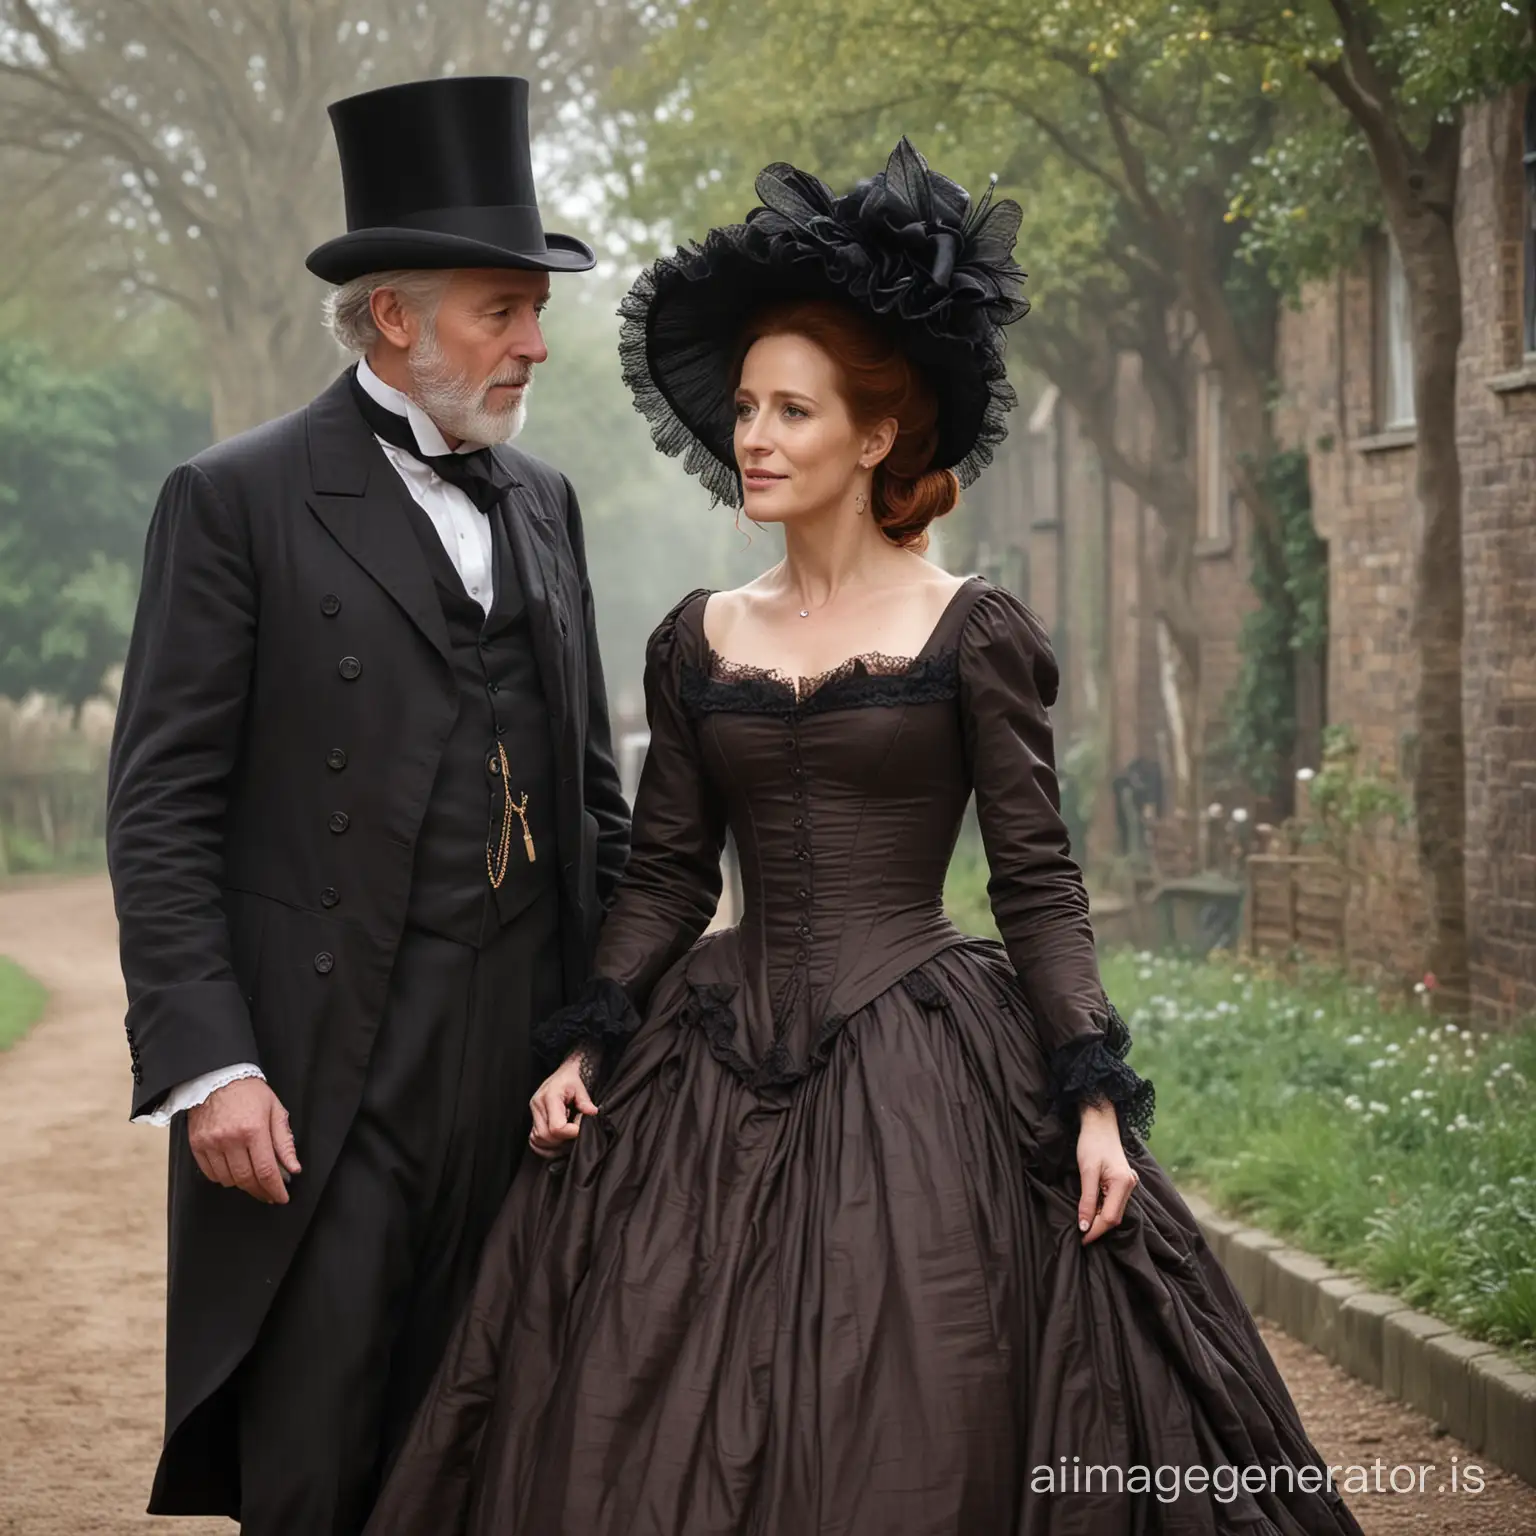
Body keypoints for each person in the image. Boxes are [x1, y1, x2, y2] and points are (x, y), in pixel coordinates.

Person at [363, 141, 1362, 1534]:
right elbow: (664, 870)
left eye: (792, 411)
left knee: (924, 1387)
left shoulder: (973, 633)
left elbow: (1037, 880)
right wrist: (591, 1034)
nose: (753, 437)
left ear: (878, 436)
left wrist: (1089, 1091)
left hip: (921, 1055)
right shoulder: (697, 636)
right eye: (747, 409)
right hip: (708, 1057)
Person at [105, 75, 628, 1534]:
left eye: (537, 311)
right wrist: (211, 1065)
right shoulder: (237, 499)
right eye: (499, 311)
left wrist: (628, 1009)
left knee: (496, 1444)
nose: (532, 344)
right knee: (321, 1448)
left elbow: (595, 793)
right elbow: (161, 804)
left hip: (522, 1059)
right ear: (393, 318)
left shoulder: (547, 501)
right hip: (328, 1066)